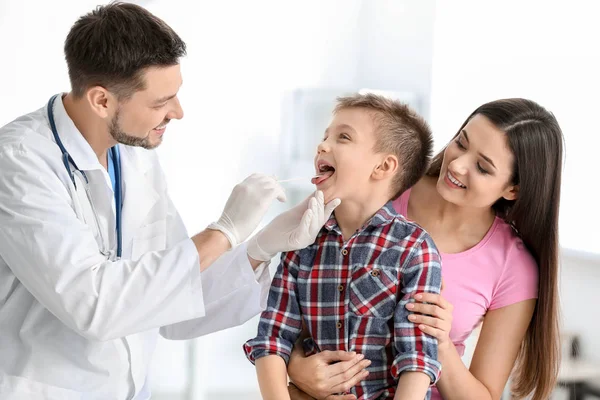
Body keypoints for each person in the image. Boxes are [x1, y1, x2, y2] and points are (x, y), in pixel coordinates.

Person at [0, 3, 340, 399]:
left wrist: (259, 248)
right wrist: (222, 233)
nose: (178, 112)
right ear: (101, 101)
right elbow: (94, 305)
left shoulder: (133, 156)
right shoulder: (20, 163)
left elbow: (173, 303)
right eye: (161, 102)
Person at [287, 98, 563, 400]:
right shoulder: (385, 190)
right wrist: (299, 368)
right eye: (461, 142)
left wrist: (440, 343)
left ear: (513, 189)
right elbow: (300, 312)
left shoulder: (515, 266)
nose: (456, 164)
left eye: (482, 167)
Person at [243, 93, 443, 400]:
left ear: (383, 166)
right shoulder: (300, 243)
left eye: (343, 137)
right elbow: (273, 338)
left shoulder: (414, 248)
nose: (322, 145)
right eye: (325, 136)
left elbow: (417, 358)